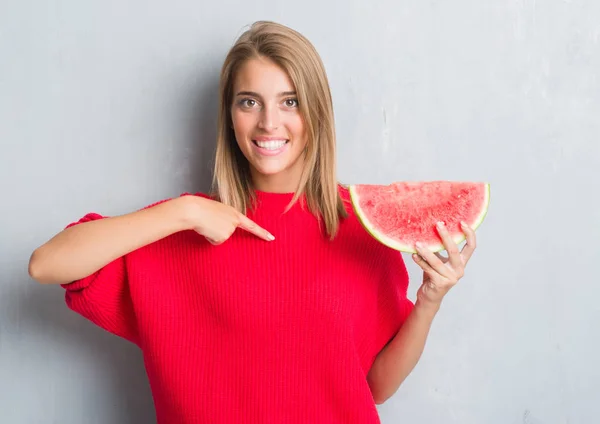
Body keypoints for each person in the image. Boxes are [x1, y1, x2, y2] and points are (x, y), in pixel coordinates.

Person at [28, 20, 477, 424]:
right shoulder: (184, 229)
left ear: (316, 113)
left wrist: (429, 300)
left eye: (290, 101)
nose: (268, 122)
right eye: (249, 102)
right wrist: (185, 211)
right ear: (230, 114)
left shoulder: (362, 227)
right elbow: (47, 264)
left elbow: (377, 388)